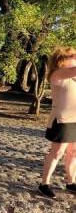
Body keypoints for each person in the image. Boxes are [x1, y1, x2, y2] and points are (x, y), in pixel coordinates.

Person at [39, 46, 76, 198]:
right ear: (62, 59)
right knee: (57, 152)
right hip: (62, 120)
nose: (75, 58)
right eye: (72, 56)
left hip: (75, 119)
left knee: (73, 152)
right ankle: (44, 184)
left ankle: (71, 181)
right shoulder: (58, 74)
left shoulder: (72, 77)